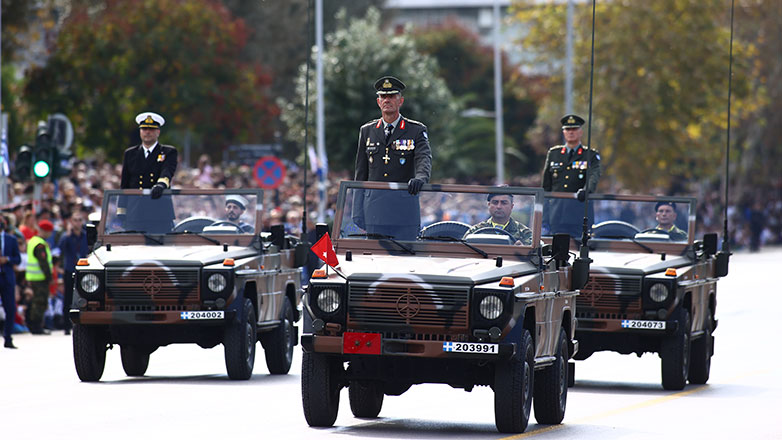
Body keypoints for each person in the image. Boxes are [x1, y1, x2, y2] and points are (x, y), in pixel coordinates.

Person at [352, 76, 432, 240]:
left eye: (391, 96)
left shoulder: (415, 130)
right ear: (378, 102)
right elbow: (360, 174)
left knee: (407, 260)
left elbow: (423, 158)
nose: (387, 100)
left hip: (404, 210)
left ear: (400, 101)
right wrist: (357, 212)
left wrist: (421, 178)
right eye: (383, 97)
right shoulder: (367, 130)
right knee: (376, 260)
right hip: (375, 211)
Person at [541, 114, 602, 239]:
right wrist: (545, 217)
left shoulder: (590, 155)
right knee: (555, 252)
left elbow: (593, 176)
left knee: (580, 252)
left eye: (574, 129)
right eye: (567, 129)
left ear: (581, 132)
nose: (571, 132)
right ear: (563, 132)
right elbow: (546, 187)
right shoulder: (554, 154)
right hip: (556, 215)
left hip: (579, 214)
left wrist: (586, 190)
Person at [118, 111, 178, 233]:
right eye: (144, 129)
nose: (147, 132)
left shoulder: (167, 152)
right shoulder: (130, 154)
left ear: (158, 132)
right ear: (140, 131)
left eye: (151, 129)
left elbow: (167, 171)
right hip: (135, 213)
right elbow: (125, 184)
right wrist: (121, 211)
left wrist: (161, 184)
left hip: (159, 212)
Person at [58, 210, 89, 335]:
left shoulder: (85, 236)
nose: (77, 223)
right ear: (71, 222)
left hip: (83, 270)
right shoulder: (66, 237)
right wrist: (68, 233)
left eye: (80, 220)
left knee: (84, 297)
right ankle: (66, 325)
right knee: (68, 298)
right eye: (75, 220)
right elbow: (60, 248)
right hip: (70, 269)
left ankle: (84, 324)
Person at [464, 193, 532, 245]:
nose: (499, 206)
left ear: (511, 206)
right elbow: (462, 252)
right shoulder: (476, 231)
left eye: (504, 203)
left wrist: (523, 251)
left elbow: (535, 258)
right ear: (489, 205)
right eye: (495, 202)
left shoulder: (524, 233)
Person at [25, 220, 55, 335]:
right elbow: (44, 263)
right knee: (40, 302)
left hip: (34, 277)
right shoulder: (40, 244)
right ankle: (36, 327)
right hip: (40, 278)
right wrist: (49, 277)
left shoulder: (33, 241)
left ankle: (35, 325)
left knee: (36, 301)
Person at [0, 215, 22, 348]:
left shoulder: (11, 239)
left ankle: (8, 337)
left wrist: (7, 259)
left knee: (10, 308)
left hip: (7, 276)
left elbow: (17, 259)